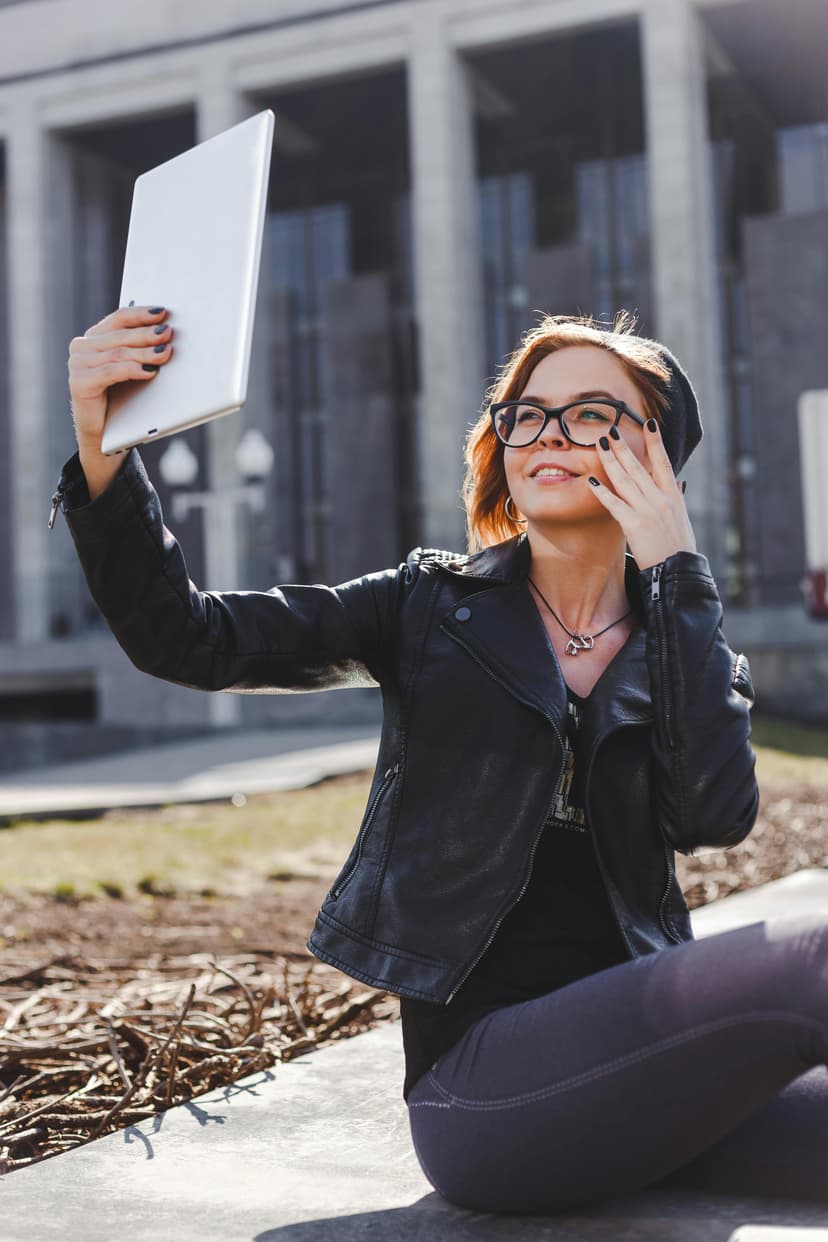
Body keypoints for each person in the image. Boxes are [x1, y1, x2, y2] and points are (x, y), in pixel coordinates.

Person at [56, 305, 827, 1214]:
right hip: (488, 1097)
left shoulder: (683, 645)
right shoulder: (427, 609)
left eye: (590, 414)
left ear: (658, 457)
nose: (546, 433)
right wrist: (105, 449)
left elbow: (712, 815)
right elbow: (189, 637)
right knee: (813, 955)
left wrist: (675, 570)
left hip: (648, 1078)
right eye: (525, 413)